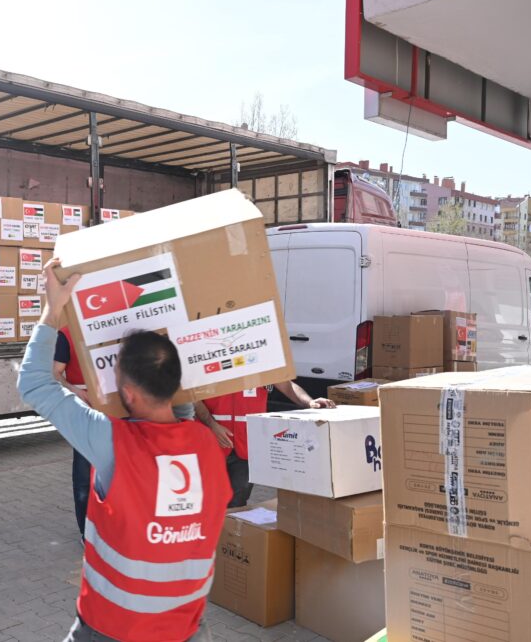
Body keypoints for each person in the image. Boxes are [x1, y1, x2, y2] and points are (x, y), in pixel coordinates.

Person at [21, 259, 231, 642]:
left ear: (129, 394)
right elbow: (181, 410)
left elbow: (34, 385)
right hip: (185, 628)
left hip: (113, 629)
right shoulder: (208, 444)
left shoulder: (112, 441)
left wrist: (53, 310)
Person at [54, 328, 207, 540]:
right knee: (84, 478)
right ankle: (87, 531)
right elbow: (54, 372)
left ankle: (124, 523)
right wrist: (76, 391)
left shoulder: (128, 328)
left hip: (127, 414)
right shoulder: (67, 334)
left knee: (129, 473)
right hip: (92, 413)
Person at [203, 383, 335, 508]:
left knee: (237, 502)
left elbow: (286, 385)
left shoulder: (261, 363)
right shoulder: (212, 362)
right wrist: (211, 424)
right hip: (210, 443)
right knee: (206, 501)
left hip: (246, 446)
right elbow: (189, 396)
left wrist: (310, 402)